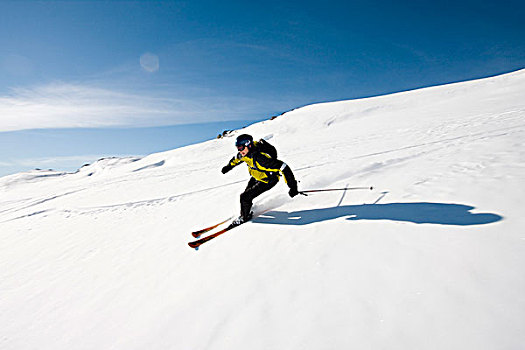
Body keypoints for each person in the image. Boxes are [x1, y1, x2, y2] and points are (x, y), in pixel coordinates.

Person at [221, 134, 300, 224]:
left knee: (244, 197)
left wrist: (293, 187)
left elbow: (283, 167)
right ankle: (247, 211)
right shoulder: (244, 154)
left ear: (248, 145)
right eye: (238, 148)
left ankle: (244, 217)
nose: (239, 150)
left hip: (268, 180)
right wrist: (228, 167)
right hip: (257, 176)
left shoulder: (261, 159)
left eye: (241, 147)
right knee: (246, 196)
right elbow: (236, 159)